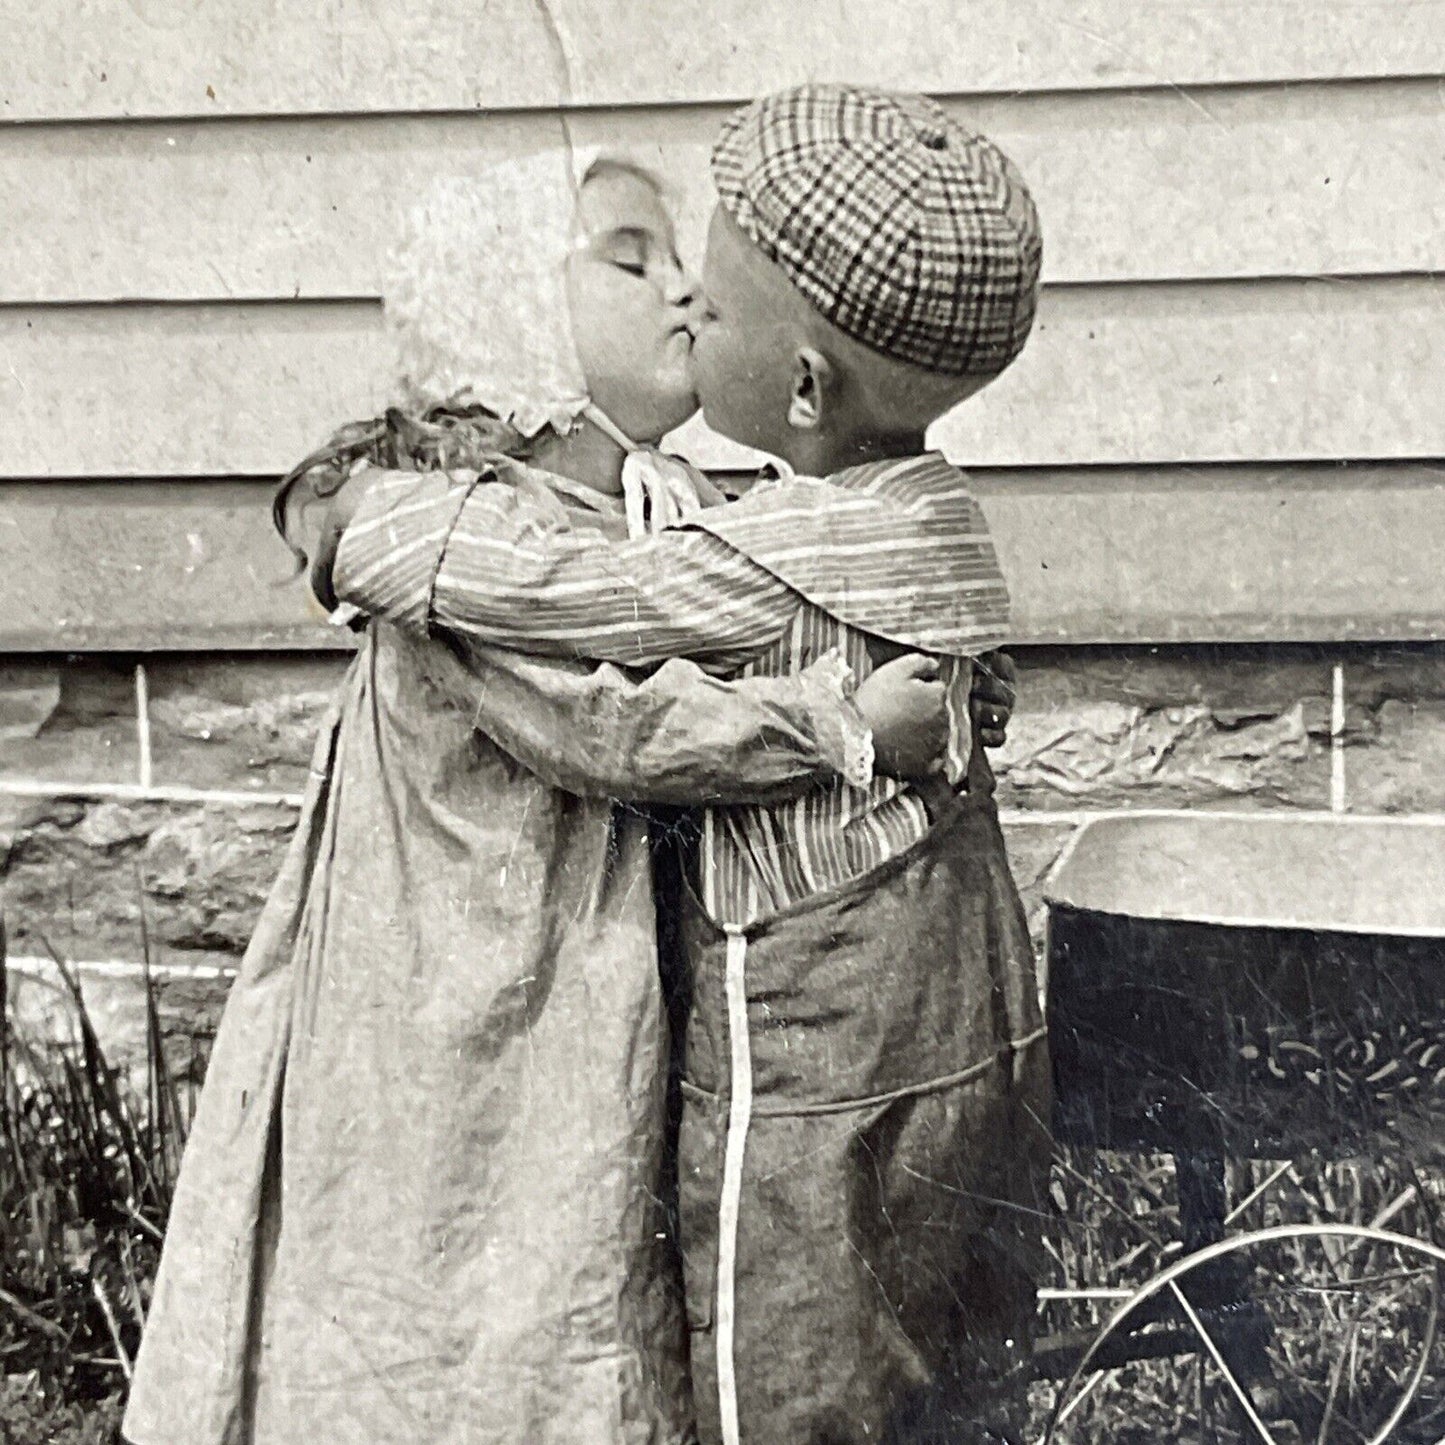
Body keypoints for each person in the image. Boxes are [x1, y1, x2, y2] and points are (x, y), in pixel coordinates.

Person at [122, 147, 974, 1445]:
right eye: (632, 261)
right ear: (510, 325)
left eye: (679, 258)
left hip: (572, 952)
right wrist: (836, 728)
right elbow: (608, 728)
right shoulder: (468, 535)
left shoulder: (642, 503)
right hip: (452, 969)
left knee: (559, 1218)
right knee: (455, 1221)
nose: (686, 290)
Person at [316, 86, 1049, 1444]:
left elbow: (582, 607)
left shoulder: (736, 545)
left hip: (814, 1028)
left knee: (786, 1331)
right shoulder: (911, 508)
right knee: (920, 1313)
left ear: (806, 387)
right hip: (947, 1000)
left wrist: (360, 523)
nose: (686, 303)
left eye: (704, 287)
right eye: (638, 261)